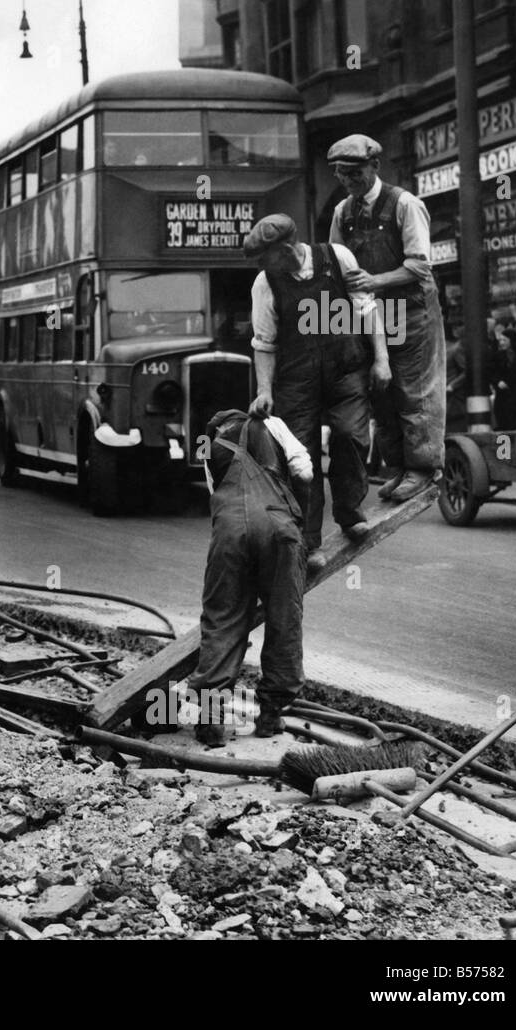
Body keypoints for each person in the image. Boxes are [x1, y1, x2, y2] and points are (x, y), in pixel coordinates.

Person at [245, 213, 390, 564]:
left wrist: (381, 359)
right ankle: (309, 541)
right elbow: (264, 343)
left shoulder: (336, 258)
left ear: (284, 249)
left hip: (346, 369)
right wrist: (264, 390)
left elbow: (368, 309)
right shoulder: (265, 284)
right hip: (297, 378)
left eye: (265, 256)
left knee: (350, 435)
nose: (262, 265)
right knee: (301, 459)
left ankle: (350, 512)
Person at [328, 134, 445, 502]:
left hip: (412, 311)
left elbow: (419, 266)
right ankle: (396, 467)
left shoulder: (404, 204)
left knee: (414, 390)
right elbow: (336, 265)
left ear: (375, 166)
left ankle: (422, 468)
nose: (349, 181)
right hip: (374, 316)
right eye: (342, 174)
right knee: (383, 392)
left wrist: (374, 280)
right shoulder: (342, 213)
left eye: (355, 173)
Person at [187, 408, 313, 745]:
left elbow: (215, 494)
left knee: (222, 617)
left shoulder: (208, 446)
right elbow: (304, 472)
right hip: (277, 528)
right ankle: (271, 715)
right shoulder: (272, 424)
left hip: (229, 534)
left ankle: (212, 720)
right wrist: (304, 531)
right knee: (284, 617)